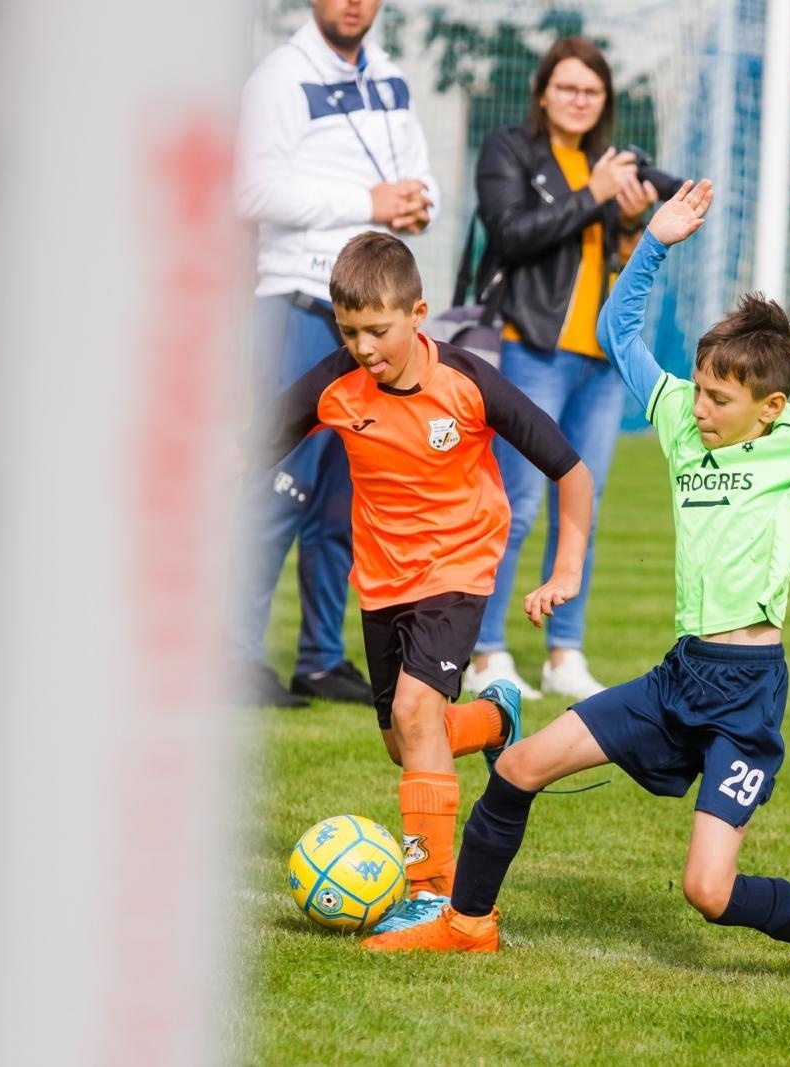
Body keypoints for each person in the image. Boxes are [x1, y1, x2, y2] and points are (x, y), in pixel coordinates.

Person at [361, 180, 790, 991]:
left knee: (709, 890)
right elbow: (617, 330)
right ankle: (466, 921)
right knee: (517, 766)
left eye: (719, 399)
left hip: (745, 694)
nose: (697, 407)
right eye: (697, 388)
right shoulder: (676, 416)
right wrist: (654, 241)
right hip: (677, 677)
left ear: (768, 408)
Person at [253, 230, 594, 932]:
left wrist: (565, 569)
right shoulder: (335, 386)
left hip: (460, 566)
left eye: (378, 330)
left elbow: (571, 468)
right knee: (405, 741)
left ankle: (435, 895)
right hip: (382, 582)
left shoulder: (468, 382)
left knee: (414, 716)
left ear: (417, 314)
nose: (363, 347)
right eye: (349, 331)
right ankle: (498, 718)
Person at [232, 0, 438, 707]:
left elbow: (419, 177)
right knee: (277, 484)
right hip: (299, 304)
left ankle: (320, 657)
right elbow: (252, 188)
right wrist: (372, 203)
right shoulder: (279, 78)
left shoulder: (391, 77)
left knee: (343, 499)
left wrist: (418, 203)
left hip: (375, 318)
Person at [461, 37, 659, 703]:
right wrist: (591, 193)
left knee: (585, 509)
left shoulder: (612, 166)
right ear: (543, 91)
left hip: (600, 362)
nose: (580, 99)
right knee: (515, 507)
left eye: (592, 91)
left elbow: (618, 263)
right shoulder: (510, 151)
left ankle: (562, 653)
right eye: (568, 87)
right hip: (530, 349)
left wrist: (630, 222)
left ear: (605, 102)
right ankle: (485, 652)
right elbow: (510, 232)